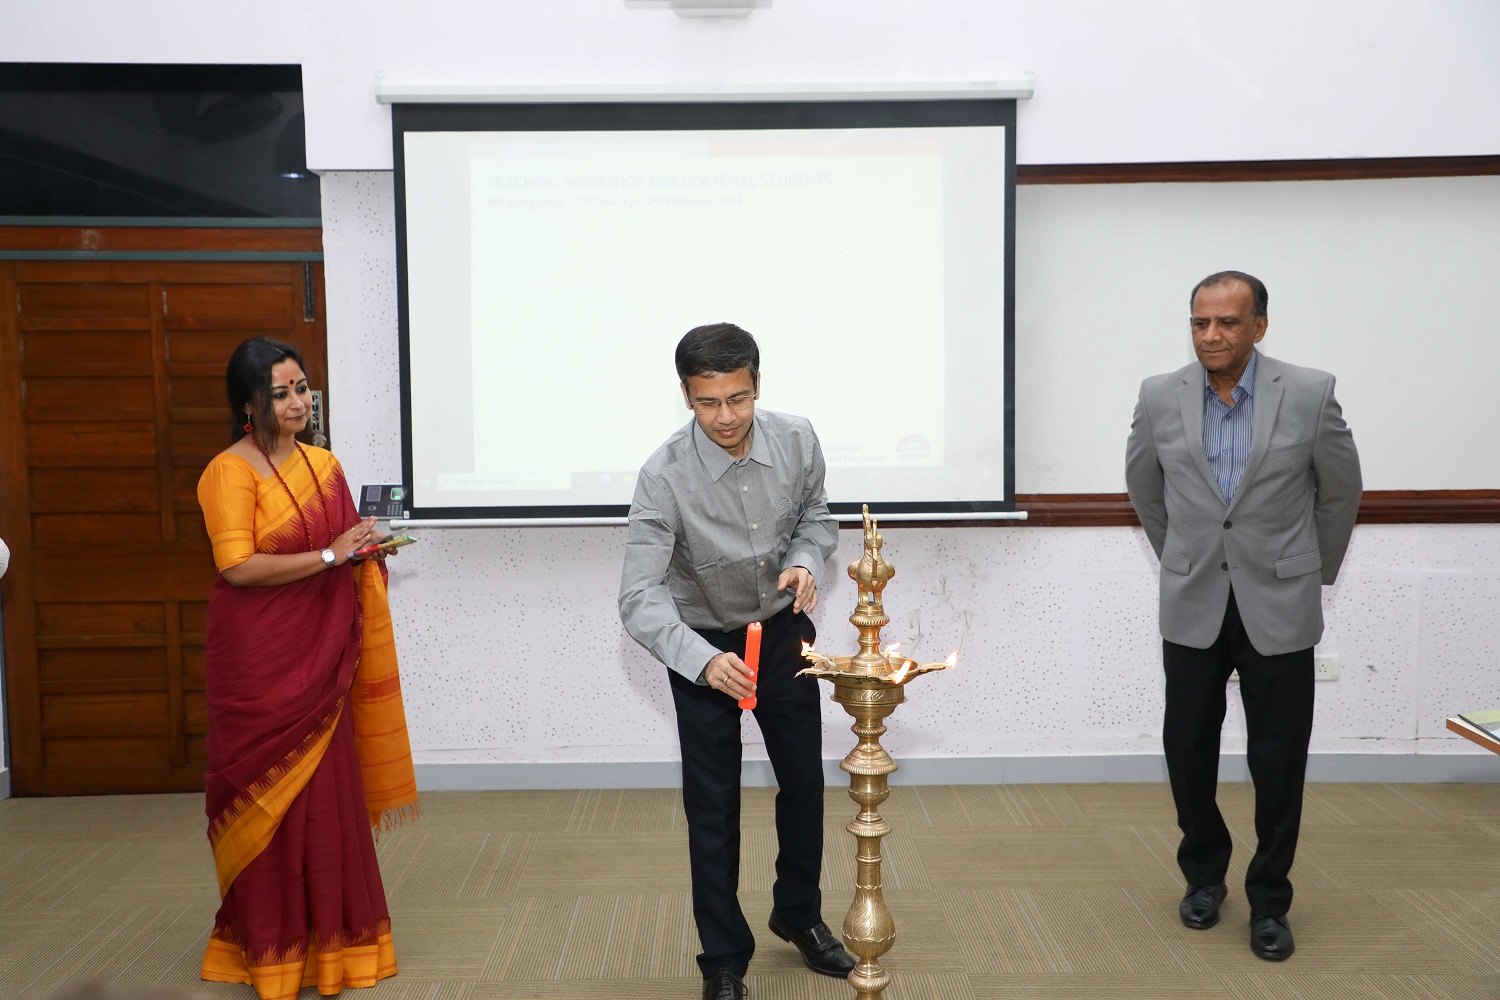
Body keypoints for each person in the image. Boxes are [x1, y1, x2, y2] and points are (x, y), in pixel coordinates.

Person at [1125, 272, 1362, 961]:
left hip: (1280, 604)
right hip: (1194, 601)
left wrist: (1308, 571)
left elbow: (1339, 494)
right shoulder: (1159, 395)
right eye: (1200, 323)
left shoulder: (1310, 393)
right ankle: (1204, 876)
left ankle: (1269, 900)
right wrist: (1185, 558)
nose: (1211, 336)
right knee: (1188, 749)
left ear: (1259, 326)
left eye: (1227, 323)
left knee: (1278, 759)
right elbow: (1146, 489)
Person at [619, 323, 856, 1000]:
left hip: (780, 632)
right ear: (686, 398)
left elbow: (816, 516)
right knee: (714, 805)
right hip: (703, 644)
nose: (725, 418)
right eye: (707, 403)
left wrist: (806, 561)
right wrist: (701, 661)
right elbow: (638, 597)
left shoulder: (797, 439)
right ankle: (723, 957)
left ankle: (799, 914)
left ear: (757, 383)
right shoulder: (662, 476)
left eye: (738, 398)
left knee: (804, 784)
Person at [196, 337, 418, 1000]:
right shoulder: (227, 473)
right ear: (249, 403)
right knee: (268, 800)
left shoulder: (325, 464)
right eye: (282, 392)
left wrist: (368, 548)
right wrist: (329, 558)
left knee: (326, 802)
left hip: (323, 659)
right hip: (262, 664)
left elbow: (345, 543)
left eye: (302, 389)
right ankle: (269, 953)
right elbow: (236, 568)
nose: (296, 402)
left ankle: (339, 950)